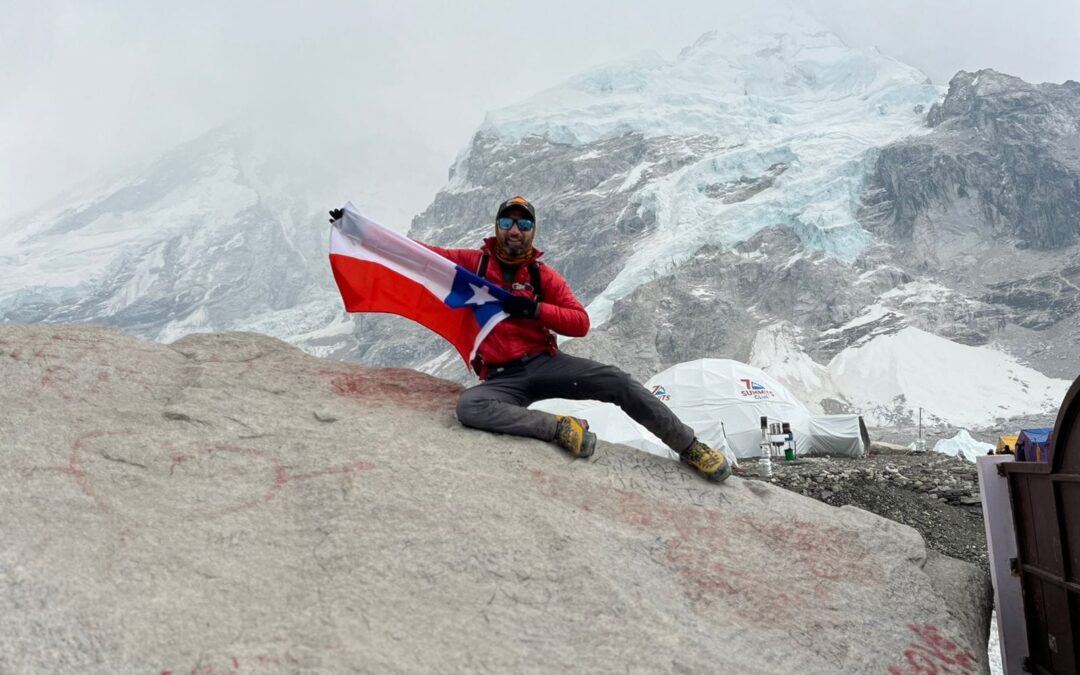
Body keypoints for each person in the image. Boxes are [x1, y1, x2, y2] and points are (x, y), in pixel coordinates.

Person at [334, 196, 731, 482]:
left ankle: (690, 447)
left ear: (533, 232)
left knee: (617, 382)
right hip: (501, 379)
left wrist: (536, 309)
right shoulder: (472, 265)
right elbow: (415, 256)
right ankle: (558, 428)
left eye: (524, 224)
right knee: (471, 407)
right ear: (496, 228)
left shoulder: (544, 276)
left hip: (546, 364)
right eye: (508, 222)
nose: (515, 231)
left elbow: (579, 323)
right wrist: (357, 230)